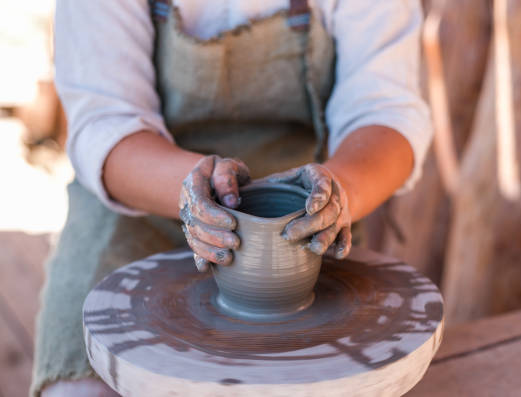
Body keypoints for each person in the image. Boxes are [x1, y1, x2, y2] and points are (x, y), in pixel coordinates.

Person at [33, 0, 432, 396]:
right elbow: (105, 119)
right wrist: (193, 189)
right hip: (137, 201)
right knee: (82, 389)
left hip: (310, 214)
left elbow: (385, 109)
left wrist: (342, 193)